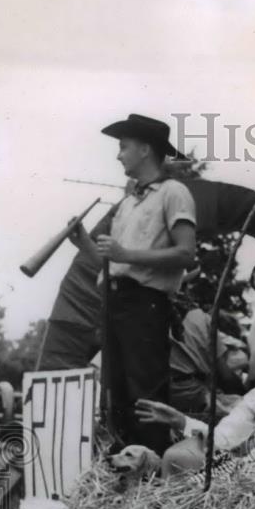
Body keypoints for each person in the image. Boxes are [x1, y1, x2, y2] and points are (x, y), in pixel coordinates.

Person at [69, 113, 196, 453]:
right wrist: (84, 243)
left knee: (145, 394)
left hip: (147, 304)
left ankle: (151, 468)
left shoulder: (174, 192)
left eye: (123, 147)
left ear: (145, 149)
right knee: (117, 394)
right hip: (116, 302)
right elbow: (115, 265)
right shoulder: (127, 203)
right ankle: (125, 474)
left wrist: (125, 252)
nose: (118, 154)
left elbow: (185, 253)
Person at [136, 324, 255, 477]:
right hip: (254, 471)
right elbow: (225, 436)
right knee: (181, 461)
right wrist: (181, 421)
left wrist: (244, 465)